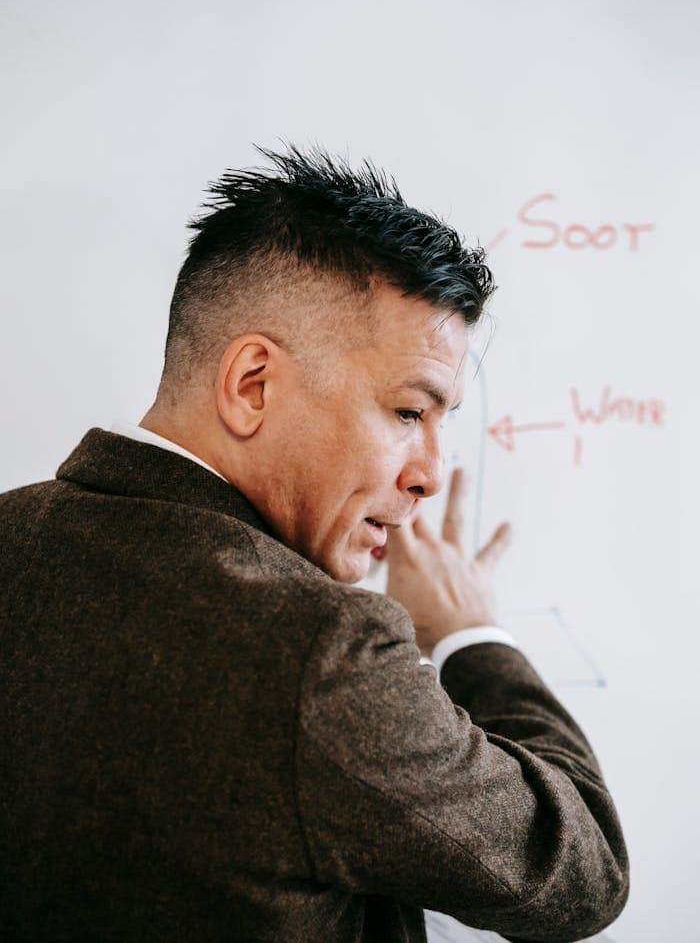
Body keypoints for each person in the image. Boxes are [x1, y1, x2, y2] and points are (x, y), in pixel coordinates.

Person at [0, 144, 629, 942]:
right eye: (410, 411)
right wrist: (470, 634)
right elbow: (585, 875)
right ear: (252, 385)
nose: (431, 473)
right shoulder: (323, 653)